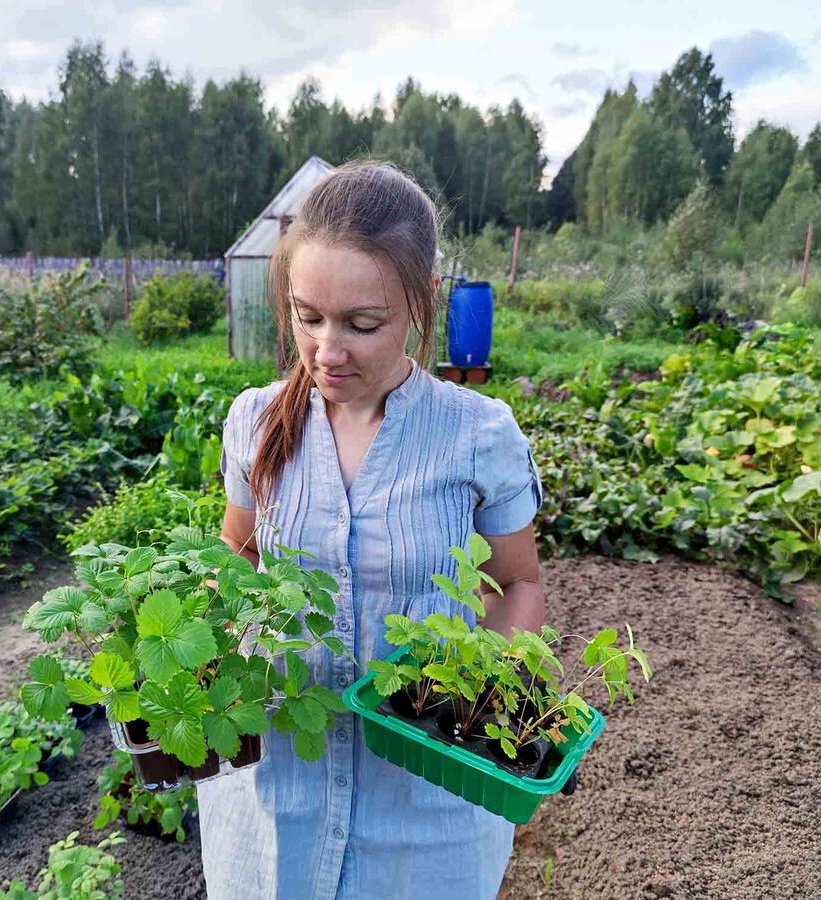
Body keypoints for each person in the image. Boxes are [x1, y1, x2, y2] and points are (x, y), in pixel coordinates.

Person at [198, 159, 546, 900]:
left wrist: (495, 690)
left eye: (362, 324)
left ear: (420, 304)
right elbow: (237, 550)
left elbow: (517, 581)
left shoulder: (478, 434)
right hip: (280, 784)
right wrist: (199, 638)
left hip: (427, 799)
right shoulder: (255, 423)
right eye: (307, 316)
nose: (327, 350)